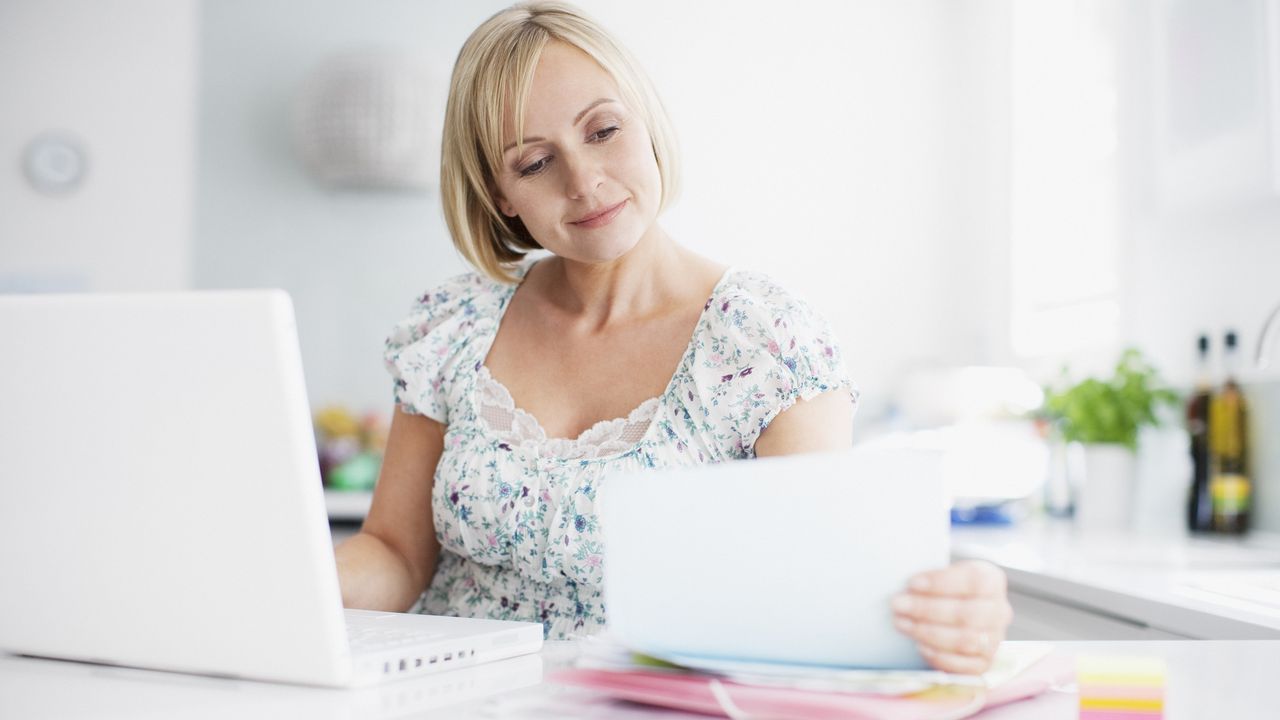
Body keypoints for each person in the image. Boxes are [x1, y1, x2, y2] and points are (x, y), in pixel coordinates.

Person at [335, 1, 1012, 675]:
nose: (584, 180)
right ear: (501, 195)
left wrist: (944, 611)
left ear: (646, 120)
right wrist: (275, 577)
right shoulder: (455, 326)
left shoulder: (765, 343)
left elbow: (816, 587)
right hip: (444, 698)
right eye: (536, 164)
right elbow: (395, 555)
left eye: (602, 131)